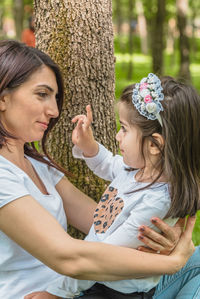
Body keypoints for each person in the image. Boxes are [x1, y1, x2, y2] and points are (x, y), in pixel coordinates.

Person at [0, 40, 196, 299]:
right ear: (3, 97)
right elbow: (70, 259)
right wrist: (172, 261)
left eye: (55, 97)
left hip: (93, 283)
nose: (55, 110)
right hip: (48, 292)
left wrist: (159, 239)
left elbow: (105, 220)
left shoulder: (37, 164)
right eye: (42, 94)